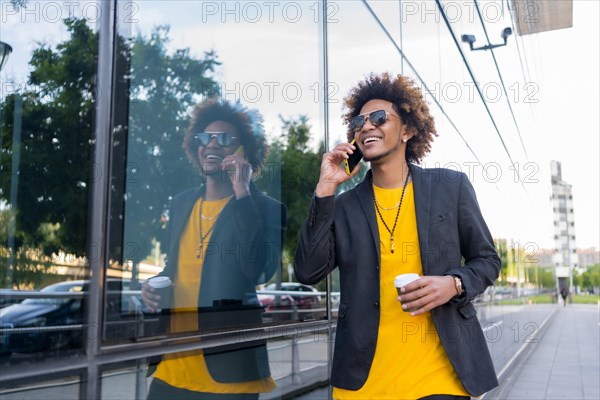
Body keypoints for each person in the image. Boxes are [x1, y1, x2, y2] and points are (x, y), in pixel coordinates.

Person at [294, 73, 501, 400]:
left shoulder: (451, 187)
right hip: (363, 384)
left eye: (379, 118)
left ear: (408, 130)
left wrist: (454, 283)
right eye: (359, 121)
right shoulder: (344, 206)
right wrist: (325, 189)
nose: (367, 126)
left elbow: (488, 260)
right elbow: (307, 271)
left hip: (439, 378)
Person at [142, 98, 286, 400]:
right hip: (173, 365)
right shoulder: (181, 203)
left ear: (242, 150)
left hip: (230, 372)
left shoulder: (264, 208)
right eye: (204, 138)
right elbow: (176, 267)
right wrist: (152, 286)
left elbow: (259, 270)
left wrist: (242, 192)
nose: (211, 145)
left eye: (224, 139)